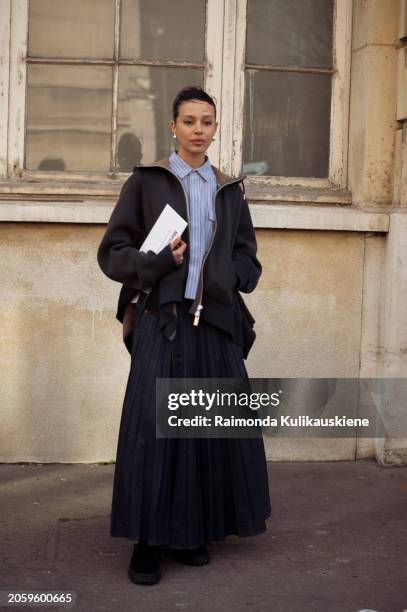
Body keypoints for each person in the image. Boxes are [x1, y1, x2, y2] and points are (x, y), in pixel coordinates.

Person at [97, 85, 271, 586]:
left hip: (214, 326)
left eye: (207, 122)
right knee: (153, 435)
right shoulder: (148, 182)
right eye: (189, 121)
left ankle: (193, 533)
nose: (198, 130)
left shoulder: (228, 189)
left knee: (205, 432)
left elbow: (248, 259)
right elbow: (113, 253)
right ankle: (148, 543)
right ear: (173, 127)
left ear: (216, 129)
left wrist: (229, 276)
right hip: (162, 320)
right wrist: (156, 262)